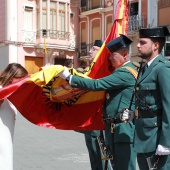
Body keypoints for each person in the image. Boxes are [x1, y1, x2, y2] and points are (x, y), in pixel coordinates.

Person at [58, 35, 137, 170]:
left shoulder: (125, 73)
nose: (110, 57)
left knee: (124, 167)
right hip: (113, 128)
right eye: (110, 54)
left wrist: (70, 78)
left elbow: (97, 84)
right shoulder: (120, 71)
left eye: (114, 54)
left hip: (122, 129)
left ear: (125, 54)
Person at [122, 26, 170, 170]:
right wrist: (134, 115)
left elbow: (169, 107)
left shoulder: (163, 69)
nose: (137, 45)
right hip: (143, 137)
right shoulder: (145, 68)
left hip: (156, 139)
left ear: (155, 46)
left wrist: (166, 142)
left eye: (142, 42)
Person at [0, 63, 28, 170]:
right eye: (21, 79)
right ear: (12, 77)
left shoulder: (10, 93)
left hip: (6, 142)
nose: (23, 82)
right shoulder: (2, 90)